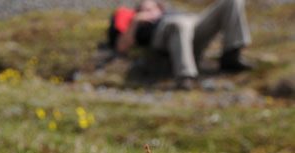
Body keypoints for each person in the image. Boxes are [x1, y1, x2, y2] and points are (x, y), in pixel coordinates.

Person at [108, 0, 252, 89]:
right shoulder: (136, 19)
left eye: (155, 6)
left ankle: (231, 54)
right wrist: (137, 20)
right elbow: (122, 47)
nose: (153, 8)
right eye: (147, 7)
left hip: (194, 24)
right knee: (180, 24)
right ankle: (185, 76)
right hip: (166, 32)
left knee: (232, 1)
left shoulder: (167, 12)